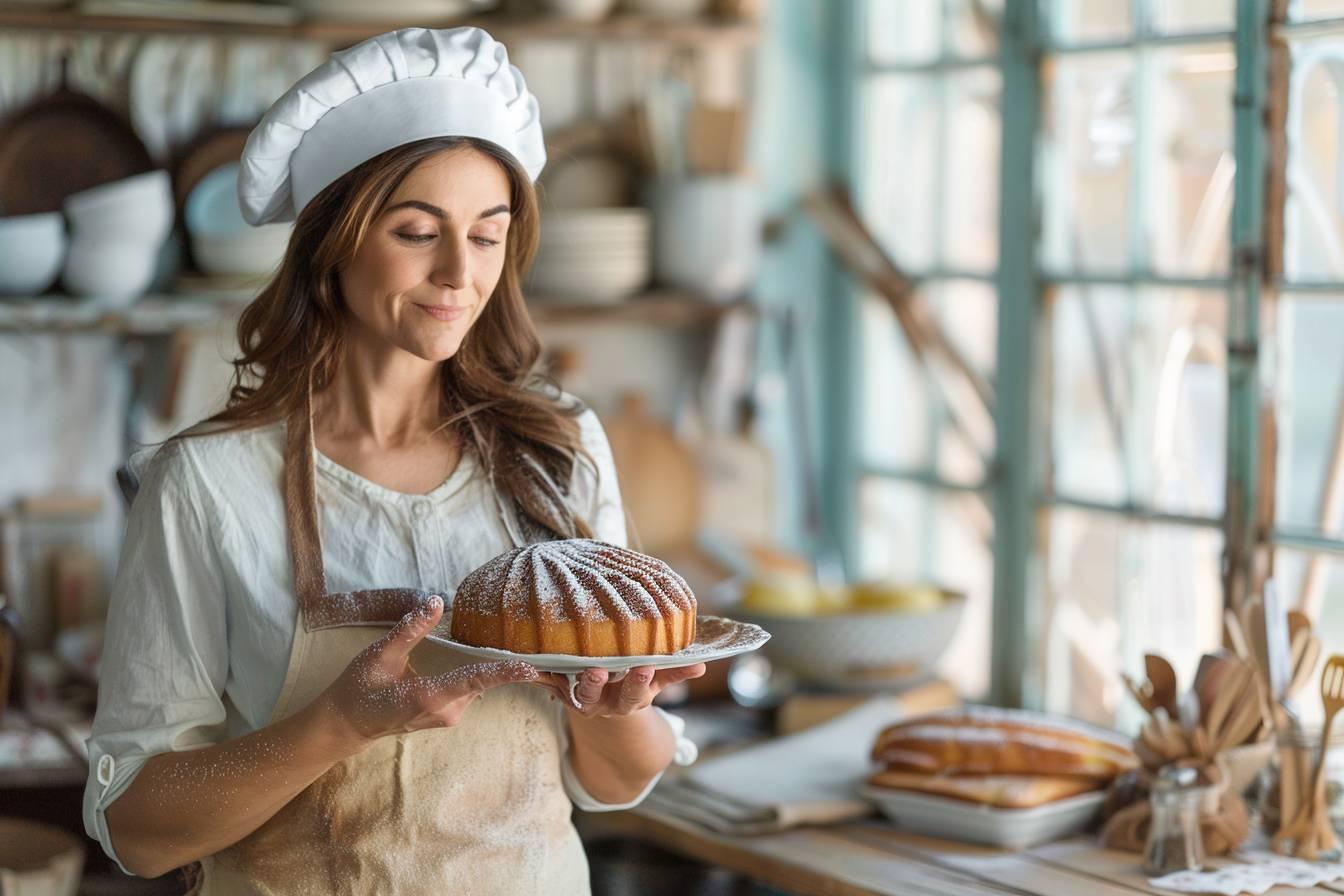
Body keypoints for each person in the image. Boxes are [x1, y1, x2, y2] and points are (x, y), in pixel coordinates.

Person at [82, 26, 704, 895]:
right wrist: (336, 724)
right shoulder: (208, 485)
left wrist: (616, 710)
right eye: (418, 231)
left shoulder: (557, 449)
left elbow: (612, 781)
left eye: (488, 236)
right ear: (332, 242)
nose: (459, 273)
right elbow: (138, 829)